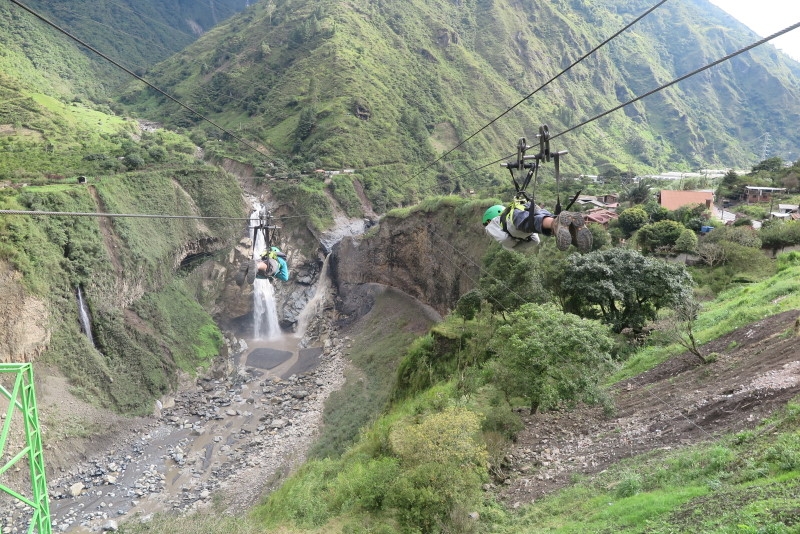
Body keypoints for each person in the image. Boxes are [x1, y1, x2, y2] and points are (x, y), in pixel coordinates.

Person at [483, 200, 592, 252]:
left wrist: (512, 244)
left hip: (513, 221)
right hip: (527, 207)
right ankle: (570, 228)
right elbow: (535, 240)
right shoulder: (509, 211)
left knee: (531, 222)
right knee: (540, 218)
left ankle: (556, 223)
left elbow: (503, 238)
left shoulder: (491, 224)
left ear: (488, 220)